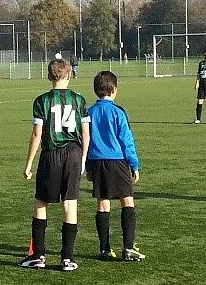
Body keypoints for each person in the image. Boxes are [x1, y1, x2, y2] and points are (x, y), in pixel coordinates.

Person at [19, 59, 90, 272]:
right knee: (70, 203)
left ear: (49, 76)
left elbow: (37, 134)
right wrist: (83, 160)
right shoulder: (79, 99)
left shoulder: (42, 101)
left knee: (41, 202)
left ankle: (38, 256)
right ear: (69, 75)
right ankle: (67, 258)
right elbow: (86, 134)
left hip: (51, 154)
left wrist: (29, 164)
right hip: (74, 154)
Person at [87, 71, 145, 262]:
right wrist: (134, 165)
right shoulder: (118, 112)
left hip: (96, 162)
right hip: (117, 161)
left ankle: (104, 249)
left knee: (103, 203)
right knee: (127, 201)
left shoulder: (89, 113)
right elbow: (126, 140)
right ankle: (128, 247)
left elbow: (84, 141)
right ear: (114, 90)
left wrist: (88, 166)